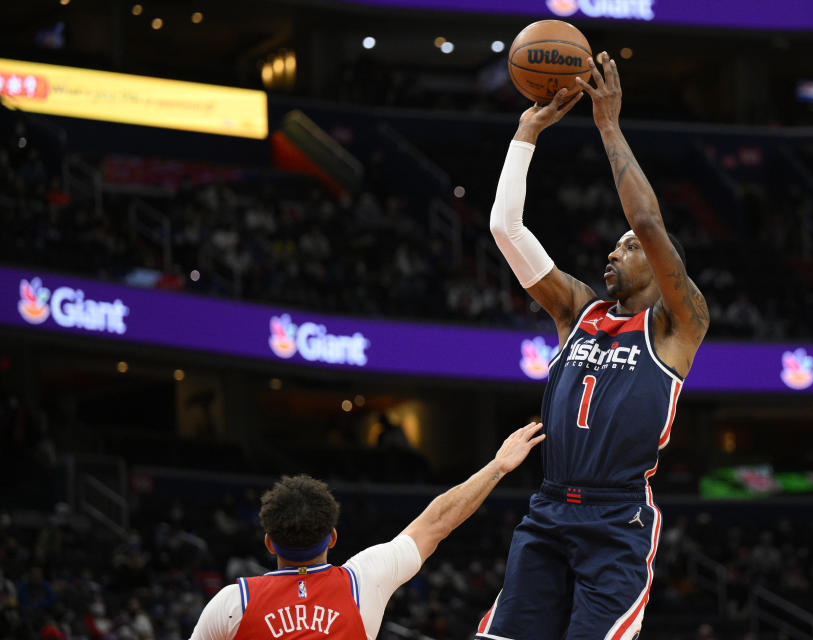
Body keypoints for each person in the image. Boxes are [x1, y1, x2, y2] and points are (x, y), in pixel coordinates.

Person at [480, 51, 709, 640]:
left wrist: (609, 125)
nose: (614, 251)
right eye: (613, 245)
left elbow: (651, 224)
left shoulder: (678, 322)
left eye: (627, 246)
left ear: (662, 268)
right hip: (549, 506)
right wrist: (525, 134)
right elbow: (506, 230)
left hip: (617, 516)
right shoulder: (577, 311)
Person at [189, 422, 545, 640]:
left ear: (268, 541)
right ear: (332, 536)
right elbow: (438, 522)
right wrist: (498, 467)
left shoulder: (233, 603)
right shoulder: (363, 582)